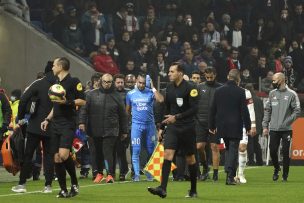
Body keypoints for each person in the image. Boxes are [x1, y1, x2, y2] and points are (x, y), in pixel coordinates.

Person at [148, 62, 199, 198]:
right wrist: (162, 127)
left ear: (180, 73)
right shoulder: (169, 88)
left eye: (172, 71)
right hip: (173, 128)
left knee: (190, 159)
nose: (169, 74)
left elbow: (194, 109)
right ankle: (162, 188)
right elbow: (167, 109)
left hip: (187, 127)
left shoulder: (191, 88)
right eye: (169, 71)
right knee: (167, 155)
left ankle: (193, 190)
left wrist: (177, 117)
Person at [41, 57, 86, 198]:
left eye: (54, 65)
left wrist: (68, 101)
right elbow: (56, 105)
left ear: (60, 66)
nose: (52, 68)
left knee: (63, 155)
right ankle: (63, 189)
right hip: (55, 124)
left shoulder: (74, 81)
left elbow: (83, 100)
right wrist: (47, 119)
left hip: (68, 122)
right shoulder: (56, 83)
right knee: (56, 158)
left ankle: (74, 181)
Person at [11, 61, 56, 193]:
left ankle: (22, 184)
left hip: (35, 125)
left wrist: (20, 117)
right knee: (48, 156)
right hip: (51, 126)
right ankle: (48, 186)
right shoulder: (58, 86)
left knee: (28, 154)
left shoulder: (38, 83)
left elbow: (24, 99)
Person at [79, 73, 128, 183]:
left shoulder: (117, 96)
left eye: (109, 82)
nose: (107, 84)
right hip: (94, 129)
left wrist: (124, 130)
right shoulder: (91, 95)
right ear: (101, 81)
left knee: (108, 152)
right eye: (105, 82)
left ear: (112, 83)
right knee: (96, 153)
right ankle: (98, 174)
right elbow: (84, 110)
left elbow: (123, 115)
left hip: (111, 130)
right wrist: (81, 122)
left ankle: (110, 174)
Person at [209, 69, 251, 185]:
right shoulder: (240, 91)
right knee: (233, 149)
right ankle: (230, 175)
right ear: (238, 79)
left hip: (222, 125)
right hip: (235, 125)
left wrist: (211, 125)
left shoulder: (218, 90)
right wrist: (248, 126)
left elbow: (213, 109)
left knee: (228, 148)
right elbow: (244, 110)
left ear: (228, 77)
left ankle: (229, 172)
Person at [262, 72, 300, 182]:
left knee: (285, 152)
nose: (272, 83)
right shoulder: (272, 93)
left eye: (274, 80)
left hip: (286, 129)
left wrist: (287, 122)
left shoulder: (292, 94)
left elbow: (297, 111)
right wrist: (265, 126)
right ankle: (277, 168)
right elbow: (267, 110)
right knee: (272, 150)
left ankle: (285, 175)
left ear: (281, 80)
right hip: (273, 128)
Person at [126, 73, 164, 181]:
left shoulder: (150, 92)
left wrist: (152, 87)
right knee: (136, 150)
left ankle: (150, 173)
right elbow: (127, 111)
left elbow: (160, 100)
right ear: (137, 81)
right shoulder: (130, 94)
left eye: (143, 83)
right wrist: (128, 125)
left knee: (151, 150)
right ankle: (137, 175)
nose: (142, 85)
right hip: (136, 126)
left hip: (150, 126)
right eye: (140, 83)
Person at [196, 67, 222, 182]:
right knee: (199, 147)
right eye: (207, 77)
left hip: (215, 123)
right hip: (200, 122)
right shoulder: (199, 87)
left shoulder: (221, 88)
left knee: (214, 147)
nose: (209, 79)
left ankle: (215, 174)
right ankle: (205, 167)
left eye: (211, 77)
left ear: (215, 75)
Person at [235, 85, 256, 184]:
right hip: (228, 124)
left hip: (242, 124)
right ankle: (232, 174)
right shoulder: (223, 90)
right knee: (231, 149)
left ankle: (241, 173)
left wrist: (253, 124)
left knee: (242, 148)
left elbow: (251, 109)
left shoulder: (246, 92)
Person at [113, 74, 130, 181]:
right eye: (118, 82)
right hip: (112, 126)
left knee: (121, 150)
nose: (120, 84)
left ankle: (123, 171)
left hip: (124, 126)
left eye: (121, 82)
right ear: (114, 83)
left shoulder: (129, 94)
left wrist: (125, 128)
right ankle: (112, 172)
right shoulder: (111, 94)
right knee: (112, 151)